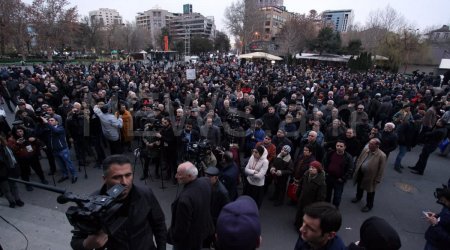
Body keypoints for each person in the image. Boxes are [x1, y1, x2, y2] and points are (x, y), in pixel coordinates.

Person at [70, 155, 167, 250]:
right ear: (104, 179)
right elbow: (75, 242)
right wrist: (87, 244)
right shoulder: (91, 203)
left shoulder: (145, 194)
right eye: (117, 177)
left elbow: (159, 224)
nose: (125, 182)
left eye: (128, 175)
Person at [167, 162, 214, 250]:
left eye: (179, 174)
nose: (176, 176)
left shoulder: (184, 201)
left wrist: (173, 237)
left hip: (187, 242)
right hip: (201, 233)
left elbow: (181, 229)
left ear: (189, 176)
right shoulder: (206, 182)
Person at [352, 138, 386, 212]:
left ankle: (369, 205)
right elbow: (359, 158)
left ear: (377, 146)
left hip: (371, 177)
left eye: (371, 144)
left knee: (370, 191)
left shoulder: (382, 156)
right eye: (369, 143)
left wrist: (378, 179)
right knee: (359, 186)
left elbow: (381, 169)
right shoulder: (366, 150)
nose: (369, 145)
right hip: (361, 172)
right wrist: (357, 167)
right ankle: (358, 197)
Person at [40, 117, 78, 184]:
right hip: (54, 150)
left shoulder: (60, 128)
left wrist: (47, 123)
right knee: (61, 165)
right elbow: (38, 133)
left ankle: (74, 175)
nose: (50, 121)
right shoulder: (48, 129)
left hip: (63, 149)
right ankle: (65, 175)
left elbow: (56, 131)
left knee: (68, 163)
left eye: (52, 120)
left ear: (56, 122)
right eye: (49, 120)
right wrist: (40, 124)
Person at [294, 161, 327, 229]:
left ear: (318, 170)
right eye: (310, 167)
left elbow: (321, 196)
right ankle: (297, 223)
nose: (310, 169)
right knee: (299, 211)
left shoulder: (321, 182)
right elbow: (300, 185)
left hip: (311, 202)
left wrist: (317, 206)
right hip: (302, 197)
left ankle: (303, 227)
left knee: (307, 215)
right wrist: (297, 194)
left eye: (313, 168)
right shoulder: (306, 175)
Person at [322, 140, 354, 208]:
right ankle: (326, 206)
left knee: (337, 195)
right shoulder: (330, 153)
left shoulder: (348, 157)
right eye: (337, 146)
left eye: (341, 146)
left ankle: (335, 208)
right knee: (327, 194)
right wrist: (325, 173)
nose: (339, 147)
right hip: (329, 177)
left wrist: (343, 178)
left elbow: (350, 169)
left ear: (345, 147)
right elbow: (325, 163)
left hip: (339, 180)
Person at [204, 166, 230, 248]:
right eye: (206, 176)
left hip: (215, 222)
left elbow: (226, 211)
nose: (207, 178)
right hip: (208, 218)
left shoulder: (223, 192)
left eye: (209, 177)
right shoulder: (208, 184)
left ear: (216, 178)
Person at [423, 184, 450, 250]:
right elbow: (444, 218)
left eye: (444, 201)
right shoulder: (447, 208)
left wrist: (435, 224)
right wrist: (436, 215)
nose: (444, 203)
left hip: (439, 246)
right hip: (434, 240)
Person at [0, 136, 24, 208]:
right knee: (6, 189)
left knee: (14, 186)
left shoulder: (6, 147)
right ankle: (11, 201)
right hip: (1, 174)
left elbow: (13, 157)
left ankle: (17, 199)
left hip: (11, 170)